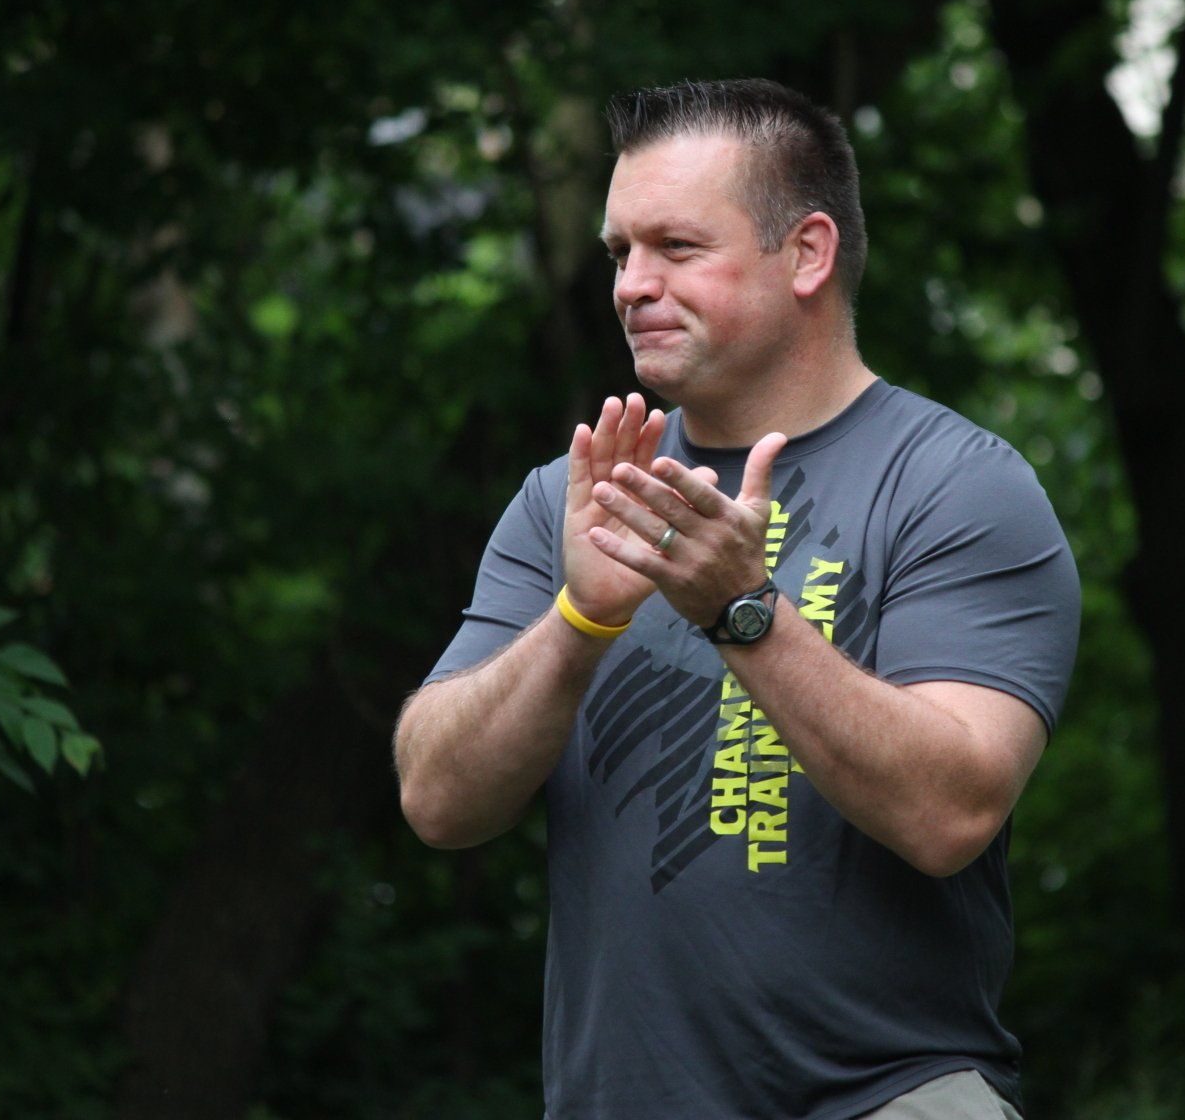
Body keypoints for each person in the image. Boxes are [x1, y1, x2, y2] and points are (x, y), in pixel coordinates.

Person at [393, 79, 1080, 1119]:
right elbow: (436, 799)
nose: (631, 283)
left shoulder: (956, 484)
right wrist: (580, 622)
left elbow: (953, 809)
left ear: (805, 253)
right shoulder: (575, 494)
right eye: (621, 250)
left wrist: (742, 609)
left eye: (676, 246)